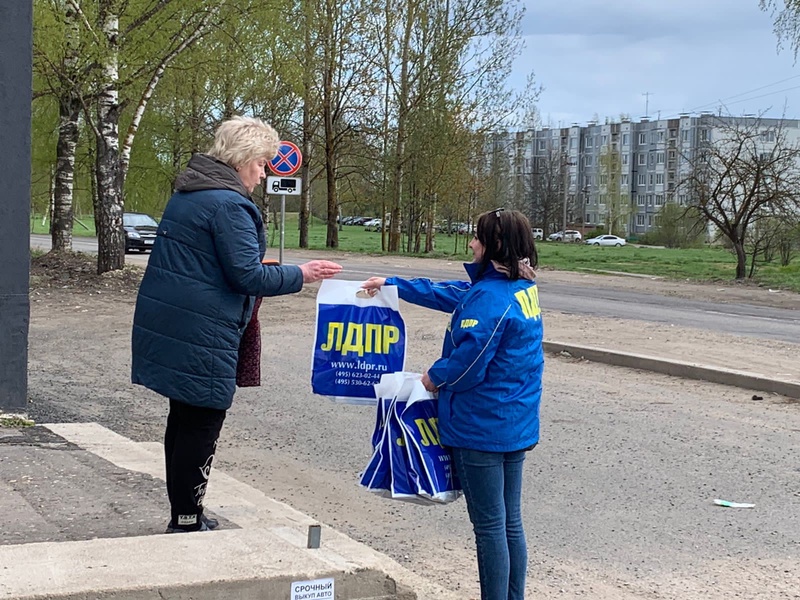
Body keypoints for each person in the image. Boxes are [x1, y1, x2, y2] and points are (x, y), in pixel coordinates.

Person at [131, 116, 342, 533]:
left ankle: (185, 514)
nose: (263, 174)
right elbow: (246, 276)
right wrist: (303, 274)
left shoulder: (191, 192)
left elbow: (209, 261)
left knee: (185, 417)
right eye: (261, 164)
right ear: (243, 158)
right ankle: (187, 521)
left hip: (177, 320)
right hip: (203, 330)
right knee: (204, 420)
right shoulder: (228, 203)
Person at [361, 209, 543, 600]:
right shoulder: (517, 288)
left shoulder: (490, 300)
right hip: (514, 422)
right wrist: (394, 285)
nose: (470, 244)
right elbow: (454, 295)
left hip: (482, 429)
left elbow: (469, 364)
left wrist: (433, 377)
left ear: (493, 245)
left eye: (476, 238)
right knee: (510, 521)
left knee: (490, 527)